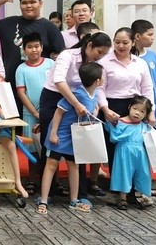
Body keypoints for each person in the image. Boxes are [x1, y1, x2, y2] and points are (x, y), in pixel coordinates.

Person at [37, 31, 115, 203]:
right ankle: (46, 195)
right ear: (89, 45)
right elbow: (59, 80)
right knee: (50, 144)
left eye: (104, 54)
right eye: (99, 52)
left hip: (80, 101)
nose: (100, 57)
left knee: (79, 147)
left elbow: (96, 89)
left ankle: (80, 195)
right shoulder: (68, 55)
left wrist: (99, 107)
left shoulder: (95, 64)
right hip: (55, 97)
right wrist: (76, 104)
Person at [0, 0, 65, 117]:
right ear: (20, 5)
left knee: (39, 123)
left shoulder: (50, 27)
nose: (28, 6)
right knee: (14, 123)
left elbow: (60, 55)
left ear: (41, 3)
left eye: (33, 2)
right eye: (24, 3)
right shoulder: (10, 23)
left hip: (39, 89)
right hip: (12, 87)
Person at [36, 62, 104, 215]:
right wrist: (53, 133)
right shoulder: (77, 94)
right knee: (51, 165)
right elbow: (59, 112)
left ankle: (74, 200)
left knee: (73, 166)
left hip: (75, 136)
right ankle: (43, 200)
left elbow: (92, 109)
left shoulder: (94, 94)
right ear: (97, 81)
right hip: (61, 134)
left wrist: (95, 110)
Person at [97, 27, 155, 175]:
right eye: (117, 42)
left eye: (125, 42)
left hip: (137, 107)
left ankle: (134, 185)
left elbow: (147, 88)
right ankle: (117, 184)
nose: (120, 46)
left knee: (136, 146)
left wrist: (151, 112)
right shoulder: (104, 62)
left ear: (133, 42)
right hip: (112, 107)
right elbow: (100, 89)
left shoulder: (140, 63)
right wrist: (105, 109)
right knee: (114, 147)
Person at [15, 32, 55, 188]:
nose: (34, 50)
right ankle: (32, 180)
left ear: (42, 47)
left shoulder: (51, 64)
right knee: (31, 147)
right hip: (30, 114)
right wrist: (36, 113)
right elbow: (21, 93)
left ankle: (55, 182)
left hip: (51, 113)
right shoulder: (21, 69)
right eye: (30, 47)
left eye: (37, 46)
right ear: (24, 50)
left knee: (52, 148)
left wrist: (47, 112)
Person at [104, 95, 154, 210]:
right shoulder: (119, 122)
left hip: (140, 153)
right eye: (135, 108)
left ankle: (139, 196)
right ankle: (122, 198)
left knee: (142, 173)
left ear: (146, 114)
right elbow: (113, 134)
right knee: (123, 173)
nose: (137, 113)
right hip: (124, 152)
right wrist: (112, 122)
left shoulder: (143, 125)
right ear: (129, 107)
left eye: (142, 111)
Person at [131, 19, 156, 131]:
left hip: (151, 107)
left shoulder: (154, 57)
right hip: (133, 109)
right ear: (137, 36)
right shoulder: (127, 57)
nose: (152, 37)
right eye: (149, 34)